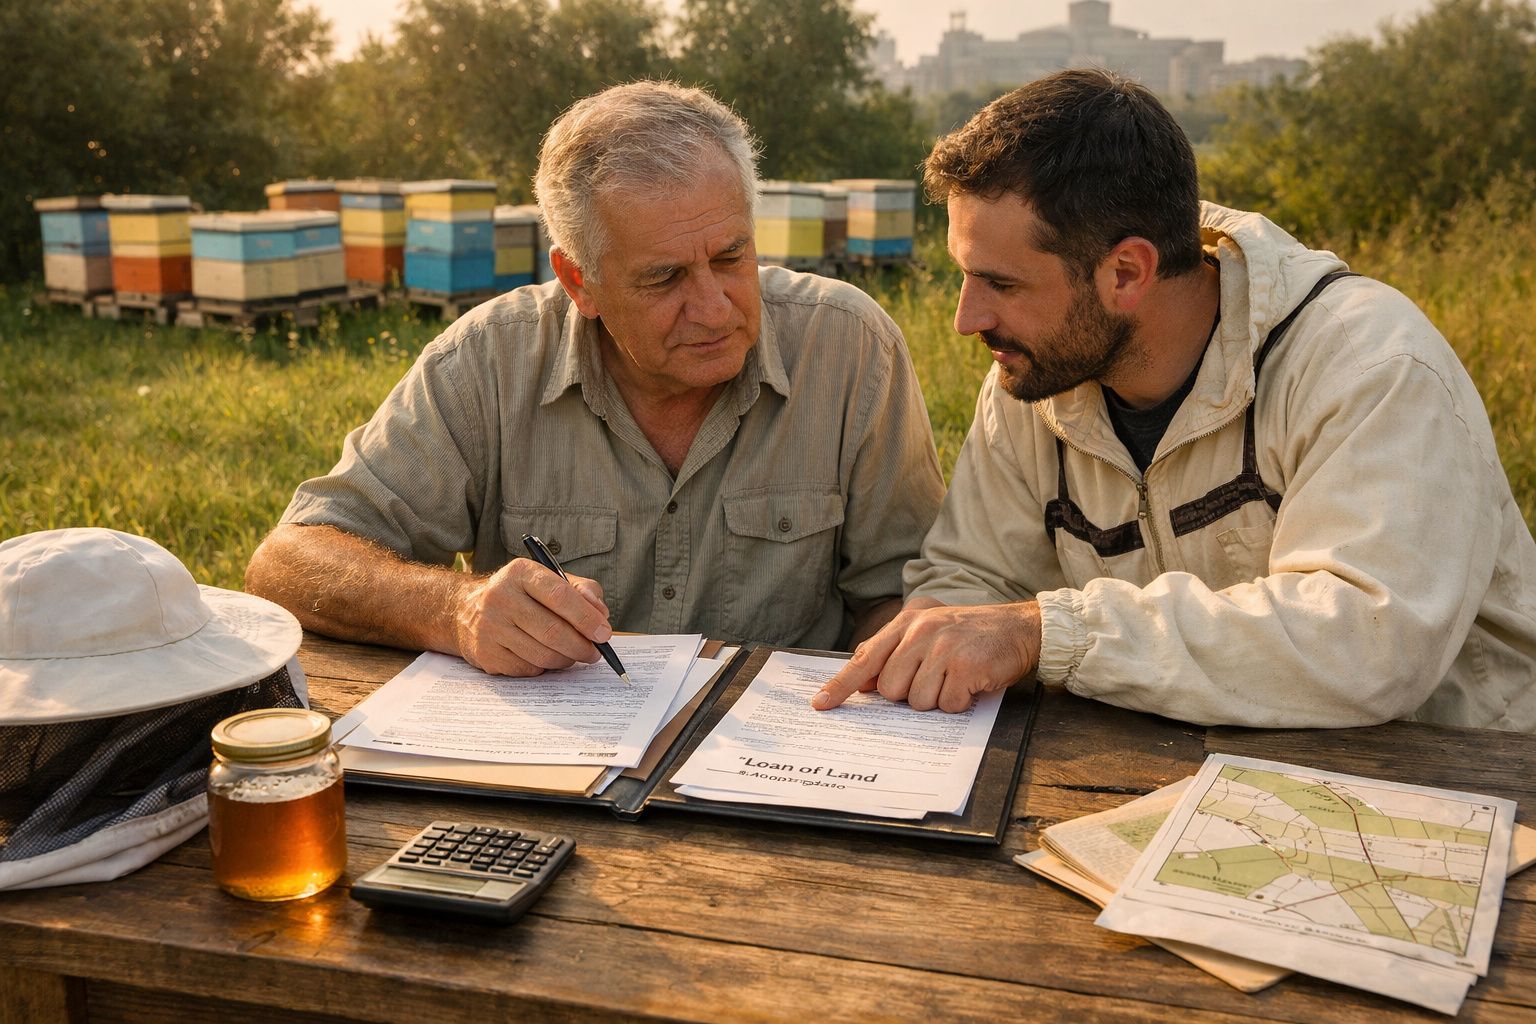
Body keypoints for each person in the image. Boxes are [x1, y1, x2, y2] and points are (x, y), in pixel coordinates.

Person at [813, 68, 1536, 731]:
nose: (966, 319)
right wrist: (936, 636)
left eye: (1001, 284)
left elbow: (1368, 645)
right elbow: (970, 574)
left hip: (1460, 785)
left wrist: (1047, 635)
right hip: (1198, 774)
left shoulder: (1371, 365)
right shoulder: (1035, 379)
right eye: (965, 277)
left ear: (1126, 271)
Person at [245, 81, 945, 676]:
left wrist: (904, 645)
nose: (712, 306)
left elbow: (907, 590)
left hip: (778, 767)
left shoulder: (849, 347)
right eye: (664, 277)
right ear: (579, 281)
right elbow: (289, 561)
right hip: (555, 770)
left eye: (731, 257)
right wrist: (455, 608)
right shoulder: (489, 362)